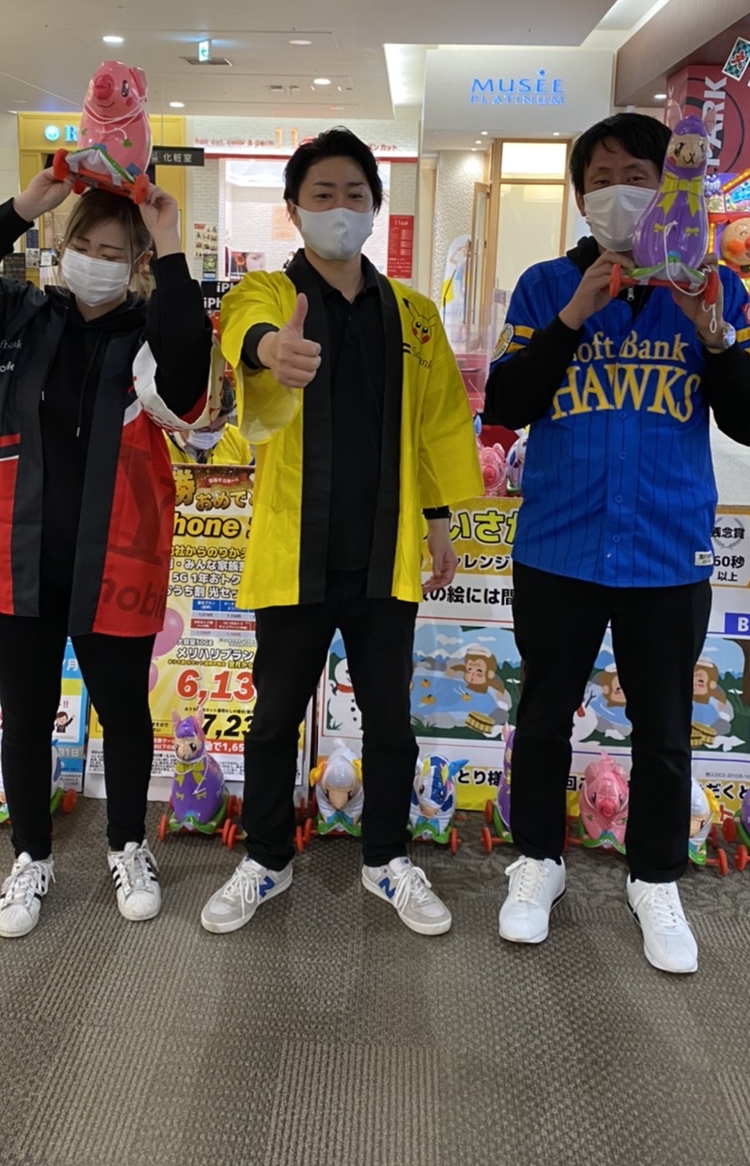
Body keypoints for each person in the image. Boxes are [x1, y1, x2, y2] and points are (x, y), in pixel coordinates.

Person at [484, 112, 750, 975]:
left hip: (666, 549)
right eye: (602, 177)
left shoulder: (718, 286)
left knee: (665, 727)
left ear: (671, 187)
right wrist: (572, 317)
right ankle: (538, 863)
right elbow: (506, 401)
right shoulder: (544, 285)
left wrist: (714, 334)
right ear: (580, 195)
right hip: (558, 545)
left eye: (639, 176)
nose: (621, 192)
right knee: (543, 714)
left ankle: (655, 879)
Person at [0, 170, 214, 938]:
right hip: (15, 555)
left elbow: (187, 379)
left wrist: (169, 240)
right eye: (85, 244)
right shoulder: (12, 320)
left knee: (124, 712)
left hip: (118, 560)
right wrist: (24, 207)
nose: (95, 262)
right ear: (62, 243)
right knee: (25, 714)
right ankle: (31, 856)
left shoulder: (148, 336)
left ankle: (127, 846)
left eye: (115, 253)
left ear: (136, 264)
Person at [200, 128, 482, 937]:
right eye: (321, 194)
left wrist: (439, 521)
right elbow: (244, 327)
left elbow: (437, 424)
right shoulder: (268, 291)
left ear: (374, 207)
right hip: (295, 553)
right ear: (293, 209)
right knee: (273, 717)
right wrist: (268, 349)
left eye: (354, 193)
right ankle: (266, 857)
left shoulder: (413, 316)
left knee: (391, 720)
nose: (339, 207)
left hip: (384, 557)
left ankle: (386, 857)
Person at [166, 376, 253, 466]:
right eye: (204, 429)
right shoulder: (160, 444)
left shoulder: (238, 440)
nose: (211, 435)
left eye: (219, 428)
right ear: (183, 419)